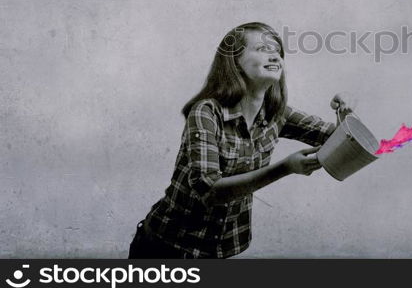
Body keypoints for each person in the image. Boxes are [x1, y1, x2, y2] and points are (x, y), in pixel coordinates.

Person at [128, 22, 353, 259]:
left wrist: (345, 113)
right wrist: (286, 168)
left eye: (277, 50)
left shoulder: (277, 114)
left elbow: (340, 139)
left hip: (219, 252)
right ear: (234, 61)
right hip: (166, 248)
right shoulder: (206, 112)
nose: (274, 55)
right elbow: (211, 192)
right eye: (262, 48)